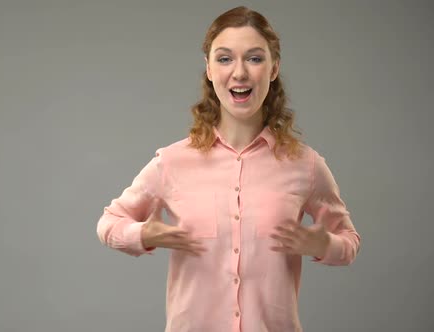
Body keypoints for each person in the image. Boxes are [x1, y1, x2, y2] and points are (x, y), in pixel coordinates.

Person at [96, 6, 360, 332]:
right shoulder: (172, 162)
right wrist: (142, 235)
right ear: (208, 69)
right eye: (224, 59)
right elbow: (109, 223)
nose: (239, 73)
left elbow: (348, 241)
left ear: (274, 68)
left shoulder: (305, 165)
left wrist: (325, 246)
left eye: (254, 58)